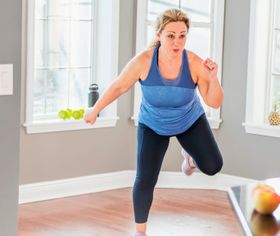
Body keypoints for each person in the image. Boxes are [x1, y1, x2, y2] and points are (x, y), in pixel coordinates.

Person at [84, 8, 224, 236]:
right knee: (145, 178)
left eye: (182, 35)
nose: (177, 41)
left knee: (213, 166)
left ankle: (189, 157)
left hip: (189, 120)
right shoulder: (144, 61)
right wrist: (95, 109)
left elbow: (214, 102)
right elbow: (119, 86)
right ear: (159, 35)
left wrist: (213, 78)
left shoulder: (195, 63)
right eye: (171, 35)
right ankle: (140, 231)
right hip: (153, 124)